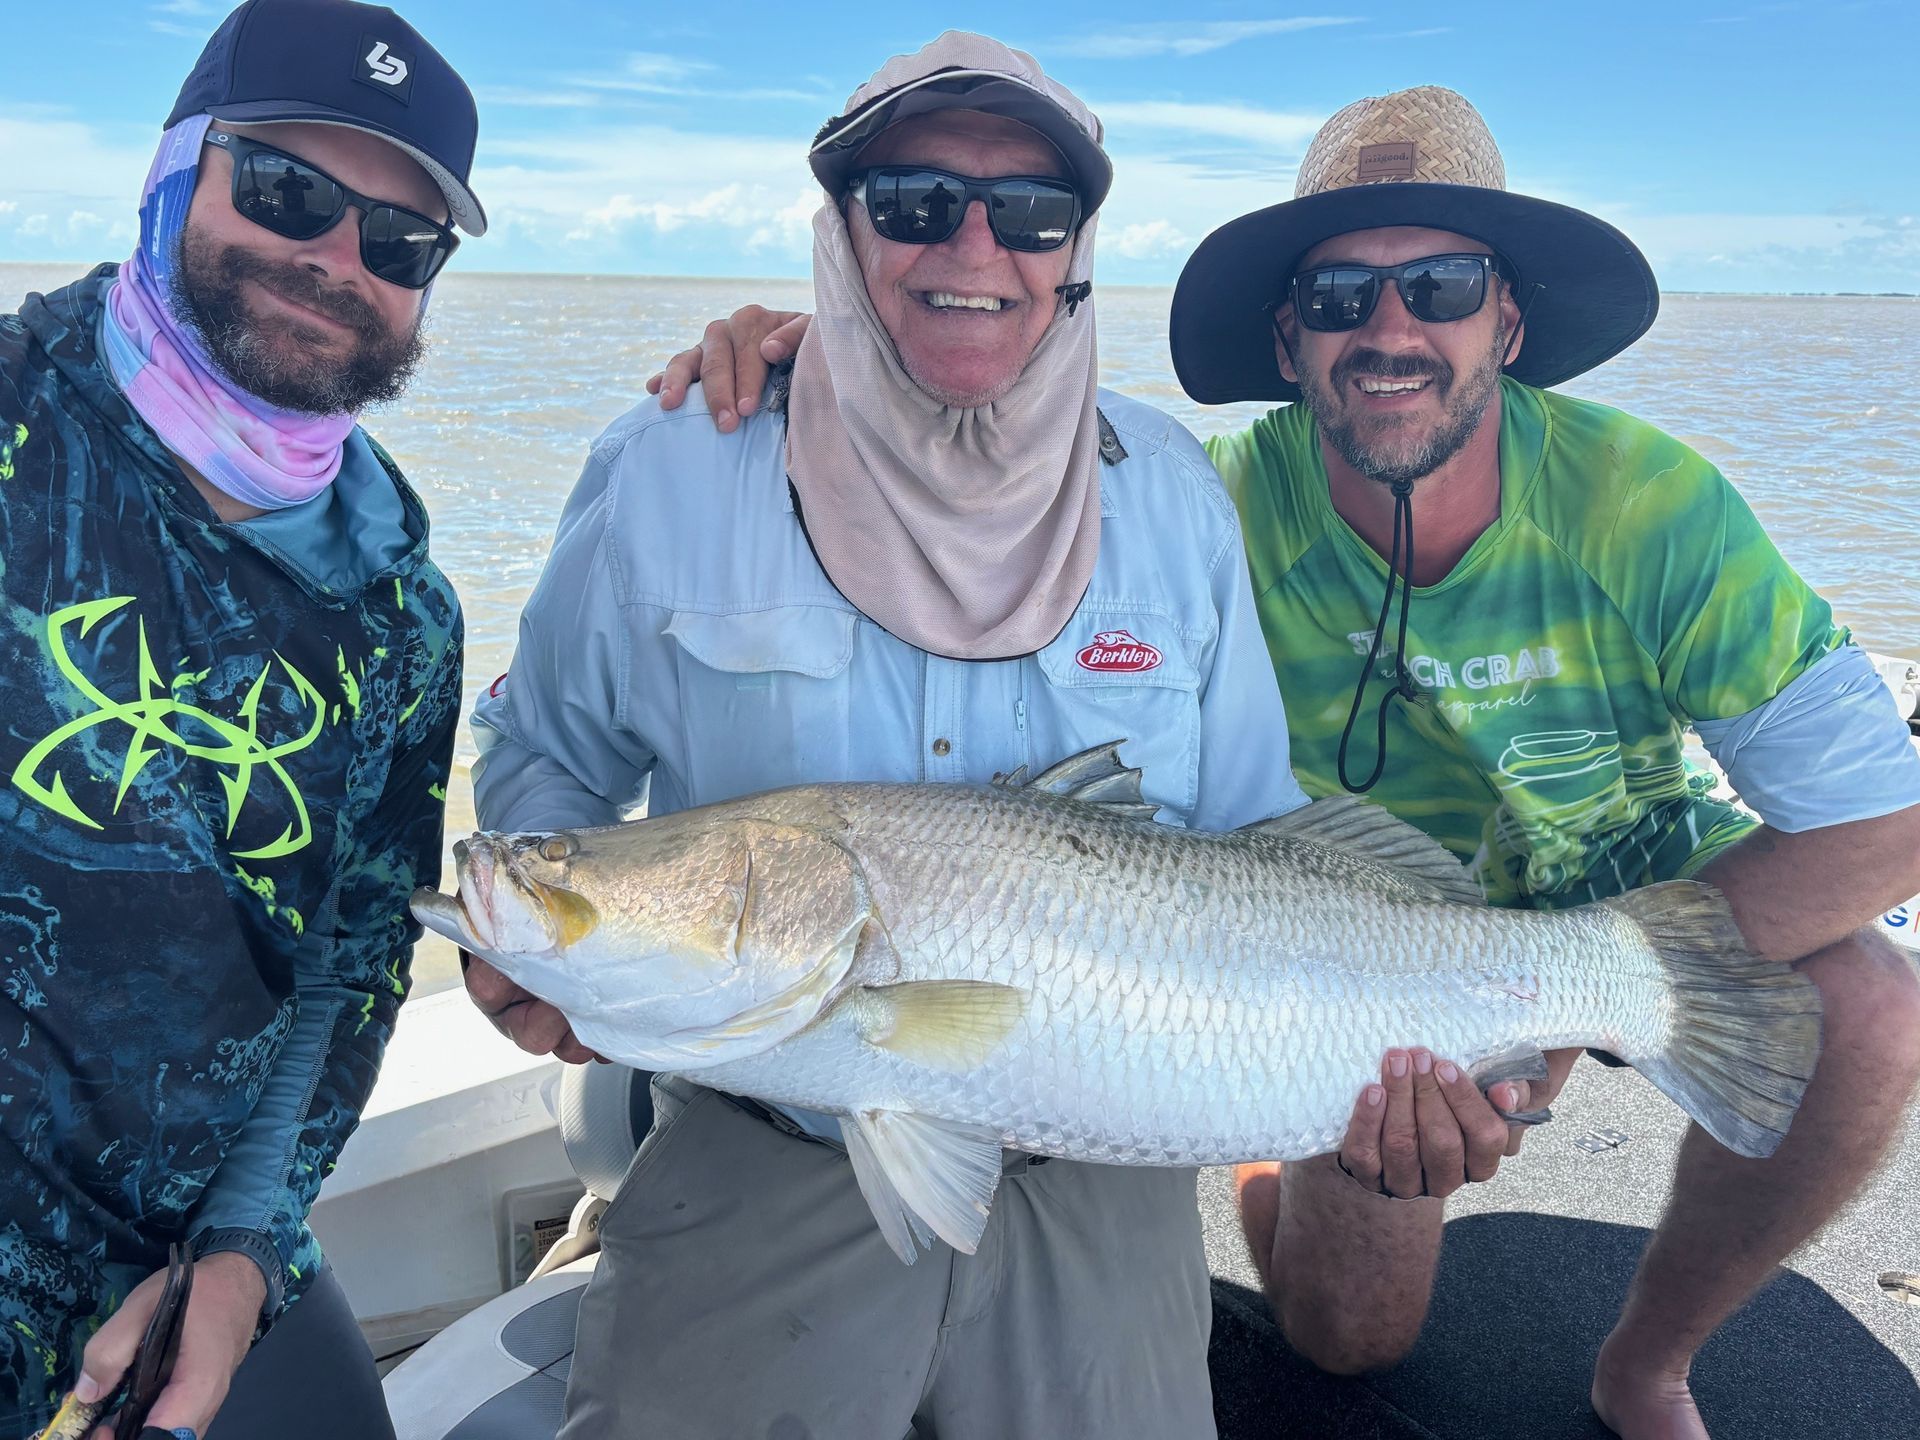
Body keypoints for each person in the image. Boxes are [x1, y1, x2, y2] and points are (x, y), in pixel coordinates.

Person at [649, 84, 1920, 1440]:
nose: (1390, 330)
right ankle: (1271, 1130)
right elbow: (976, 469)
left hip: (1619, 884)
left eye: (1439, 285)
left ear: (1510, 318)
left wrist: (1568, 1000)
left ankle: (1652, 1359)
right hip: (1344, 948)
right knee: (1347, 1342)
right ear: (1286, 334)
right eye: (1338, 296)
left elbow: (1888, 821)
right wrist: (841, 359)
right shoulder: (1204, 505)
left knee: (1873, 1012)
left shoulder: (1651, 503)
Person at [462, 32, 1311, 1440]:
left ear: (1078, 249)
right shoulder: (674, 456)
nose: (972, 243)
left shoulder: (1170, 498)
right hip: (766, 1148)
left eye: (1030, 212)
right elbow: (545, 755)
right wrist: (558, 943)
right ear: (844, 232)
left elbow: (1259, 841)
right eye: (913, 199)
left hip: (1096, 1176)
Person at [0, 1, 484, 1434]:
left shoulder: (408, 612)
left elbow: (346, 964)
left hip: (179, 1267)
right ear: (176, 175)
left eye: (400, 243)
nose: (336, 260)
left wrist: (239, 1253)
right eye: (287, 191)